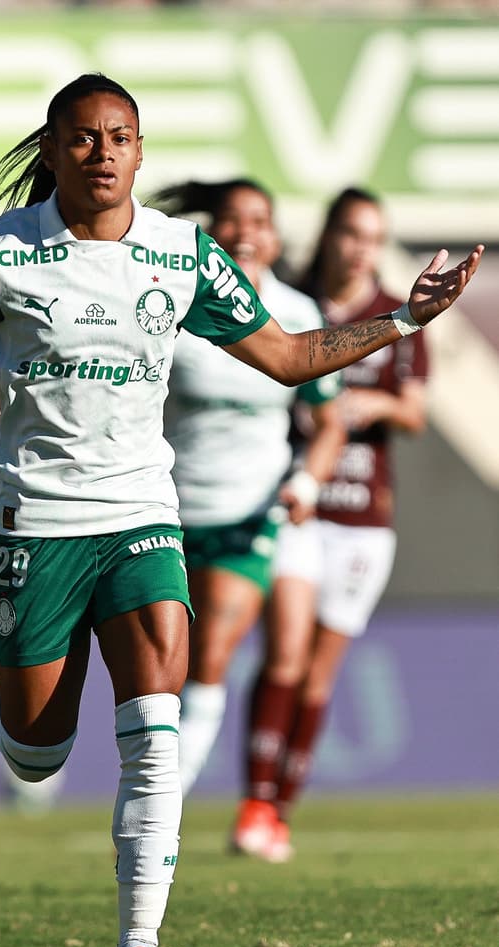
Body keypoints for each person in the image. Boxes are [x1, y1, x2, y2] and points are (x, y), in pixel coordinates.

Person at [0, 74, 482, 947]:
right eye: (82, 137)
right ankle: (4, 709)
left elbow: (287, 356)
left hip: (141, 518)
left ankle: (140, 945)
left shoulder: (182, 255)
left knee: (156, 728)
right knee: (38, 756)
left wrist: (403, 318)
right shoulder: (6, 253)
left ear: (139, 149)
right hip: (34, 523)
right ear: (50, 149)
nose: (103, 152)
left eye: (120, 136)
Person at [232, 187, 433, 864]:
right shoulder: (292, 300)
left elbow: (414, 412)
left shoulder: (396, 316)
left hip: (364, 517)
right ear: (328, 234)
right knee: (283, 650)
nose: (359, 248)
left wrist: (368, 401)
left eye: (372, 237)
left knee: (317, 674)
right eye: (350, 232)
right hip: (298, 500)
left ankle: (280, 809)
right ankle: (254, 803)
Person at [153, 178, 345, 800]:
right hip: (163, 508)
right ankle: (31, 745)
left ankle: (165, 803)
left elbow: (329, 422)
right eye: (232, 220)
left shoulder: (299, 315)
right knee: (149, 664)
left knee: (210, 655)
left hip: (248, 514)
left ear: (276, 236)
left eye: (259, 220)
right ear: (212, 233)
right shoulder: (172, 306)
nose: (246, 232)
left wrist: (309, 479)